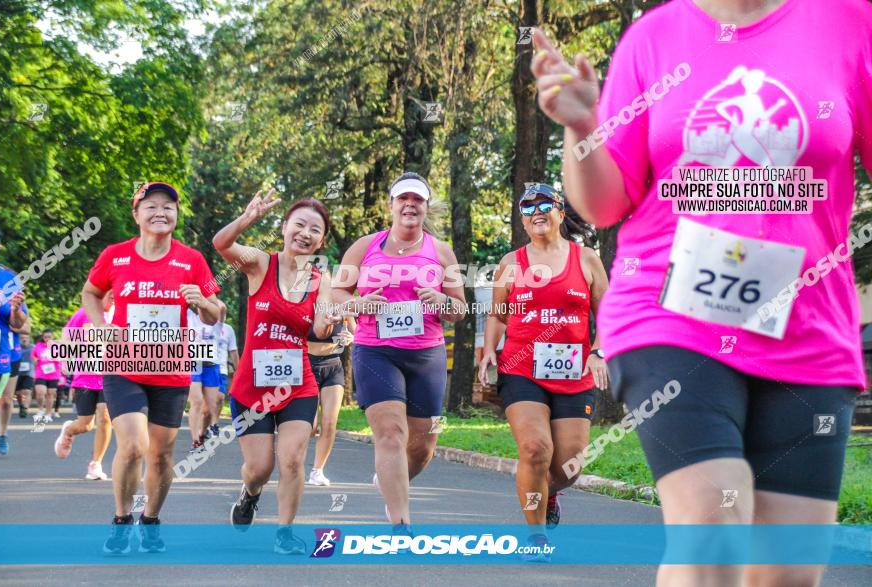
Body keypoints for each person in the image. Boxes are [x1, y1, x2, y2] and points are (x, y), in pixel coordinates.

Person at [532, 0, 872, 583]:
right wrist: (582, 126)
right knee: (714, 523)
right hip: (671, 310)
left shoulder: (851, 22)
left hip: (808, 323)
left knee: (787, 572)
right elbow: (603, 204)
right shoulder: (655, 36)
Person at [82, 181, 221, 554]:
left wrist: (203, 304)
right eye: (151, 206)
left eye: (168, 207)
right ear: (136, 214)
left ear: (176, 215)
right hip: (124, 364)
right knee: (133, 445)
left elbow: (216, 313)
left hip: (171, 369)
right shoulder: (115, 255)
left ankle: (152, 520)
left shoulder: (191, 260)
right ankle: (122, 518)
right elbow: (91, 292)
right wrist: (101, 326)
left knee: (160, 454)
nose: (160, 212)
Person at [478, 183, 609, 560]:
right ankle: (536, 537)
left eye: (545, 203)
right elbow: (499, 316)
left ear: (560, 212)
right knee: (535, 449)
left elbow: (609, 312)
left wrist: (598, 350)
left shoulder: (585, 260)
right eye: (527, 205)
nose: (536, 210)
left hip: (574, 371)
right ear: (522, 218)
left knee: (569, 465)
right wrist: (489, 350)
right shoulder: (510, 263)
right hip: (521, 368)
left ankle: (549, 492)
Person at [331, 172, 467, 530]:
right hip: (375, 351)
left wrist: (442, 299)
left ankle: (388, 480)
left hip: (427, 355)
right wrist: (358, 303)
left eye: (417, 200)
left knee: (422, 447)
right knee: (391, 434)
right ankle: (401, 523)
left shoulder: (441, 251)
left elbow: (460, 310)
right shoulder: (365, 247)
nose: (410, 205)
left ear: (425, 207)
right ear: (391, 205)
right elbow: (336, 294)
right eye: (403, 198)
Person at [214, 192, 345, 554]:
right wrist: (247, 217)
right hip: (252, 386)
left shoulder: (322, 279)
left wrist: (333, 319)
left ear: (321, 240)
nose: (305, 233)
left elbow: (319, 330)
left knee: (291, 459)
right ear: (285, 227)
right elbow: (221, 244)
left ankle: (284, 533)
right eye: (299, 224)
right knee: (259, 468)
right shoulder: (260, 263)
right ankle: (250, 495)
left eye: (314, 230)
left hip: (298, 384)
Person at [54, 290, 115, 480]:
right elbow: (67, 337)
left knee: (105, 416)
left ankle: (95, 464)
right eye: (109, 291)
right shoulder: (83, 314)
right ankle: (69, 430)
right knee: (85, 425)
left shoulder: (120, 315)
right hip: (85, 375)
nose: (113, 295)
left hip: (110, 374)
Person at [0, 223, 30, 459]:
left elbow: (20, 324)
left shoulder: (8, 279)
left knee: (1, 401)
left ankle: (0, 435)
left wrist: (16, 310)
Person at [306, 314, 355, 486]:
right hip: (306, 364)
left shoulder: (343, 306)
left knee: (329, 423)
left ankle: (317, 471)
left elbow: (359, 334)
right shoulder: (307, 301)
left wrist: (351, 338)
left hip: (333, 365)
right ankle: (292, 462)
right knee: (309, 428)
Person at [186, 307, 221, 451]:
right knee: (197, 401)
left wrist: (205, 303)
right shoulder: (186, 312)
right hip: (192, 361)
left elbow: (221, 307)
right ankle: (195, 441)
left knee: (210, 407)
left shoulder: (214, 311)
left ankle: (201, 434)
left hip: (211, 364)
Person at [211, 303, 239, 435]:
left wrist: (238, 370)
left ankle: (214, 423)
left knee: (220, 398)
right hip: (205, 367)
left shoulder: (228, 330)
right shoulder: (204, 326)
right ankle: (205, 424)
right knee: (205, 399)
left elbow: (233, 351)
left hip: (222, 369)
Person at [32, 329, 60, 424]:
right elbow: (34, 356)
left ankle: (48, 413)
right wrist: (35, 361)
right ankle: (40, 410)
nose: (47, 338)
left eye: (49, 336)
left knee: (50, 394)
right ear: (43, 337)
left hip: (54, 374)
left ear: (52, 337)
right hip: (41, 373)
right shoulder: (38, 346)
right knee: (40, 392)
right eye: (45, 337)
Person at [14, 333, 34, 419]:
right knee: (18, 393)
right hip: (17, 373)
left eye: (26, 338)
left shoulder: (33, 348)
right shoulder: (15, 348)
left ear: (29, 339)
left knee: (27, 392)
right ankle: (21, 405)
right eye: (22, 338)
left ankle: (25, 409)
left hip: (29, 373)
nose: (24, 339)